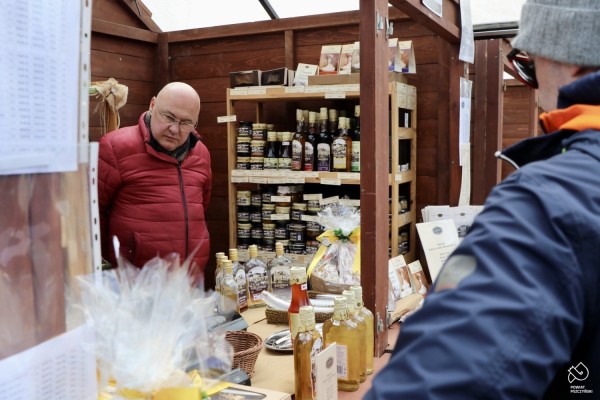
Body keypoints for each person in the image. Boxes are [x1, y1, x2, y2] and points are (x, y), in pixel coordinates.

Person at [364, 0, 600, 398]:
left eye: (528, 67)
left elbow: (438, 381)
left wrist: (451, 291)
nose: (538, 92)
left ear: (573, 53)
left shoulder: (545, 203)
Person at [98, 82, 212, 285]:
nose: (175, 129)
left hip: (189, 282)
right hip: (135, 285)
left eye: (186, 123)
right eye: (169, 117)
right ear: (152, 105)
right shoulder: (115, 147)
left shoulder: (201, 154)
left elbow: (201, 207)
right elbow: (94, 214)